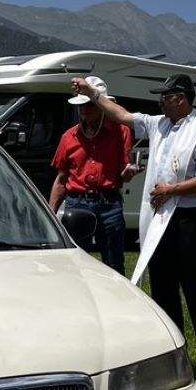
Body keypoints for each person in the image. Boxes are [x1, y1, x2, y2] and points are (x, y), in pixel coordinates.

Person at [78, 73, 196, 387]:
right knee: (162, 290)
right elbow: (121, 115)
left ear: (181, 99)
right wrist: (93, 94)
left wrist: (171, 190)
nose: (160, 101)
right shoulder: (158, 124)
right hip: (159, 219)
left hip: (186, 220)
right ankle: (171, 358)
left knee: (194, 290)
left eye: (165, 97)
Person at [49, 76, 134, 274]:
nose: (84, 110)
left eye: (90, 105)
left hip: (109, 203)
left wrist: (128, 174)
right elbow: (61, 179)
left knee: (114, 265)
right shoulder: (69, 137)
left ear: (102, 105)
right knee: (75, 264)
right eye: (81, 106)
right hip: (77, 202)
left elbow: (124, 172)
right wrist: (51, 214)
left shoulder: (121, 132)